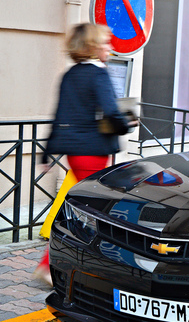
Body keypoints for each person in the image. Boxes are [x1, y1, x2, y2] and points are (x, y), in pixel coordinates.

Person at [33, 23, 137, 286]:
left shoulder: (70, 75)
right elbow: (112, 113)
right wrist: (128, 124)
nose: (109, 48)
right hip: (93, 152)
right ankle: (50, 265)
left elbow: (59, 115)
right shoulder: (99, 75)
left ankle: (78, 265)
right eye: (105, 43)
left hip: (75, 153)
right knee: (94, 212)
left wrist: (46, 152)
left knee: (86, 209)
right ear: (92, 47)